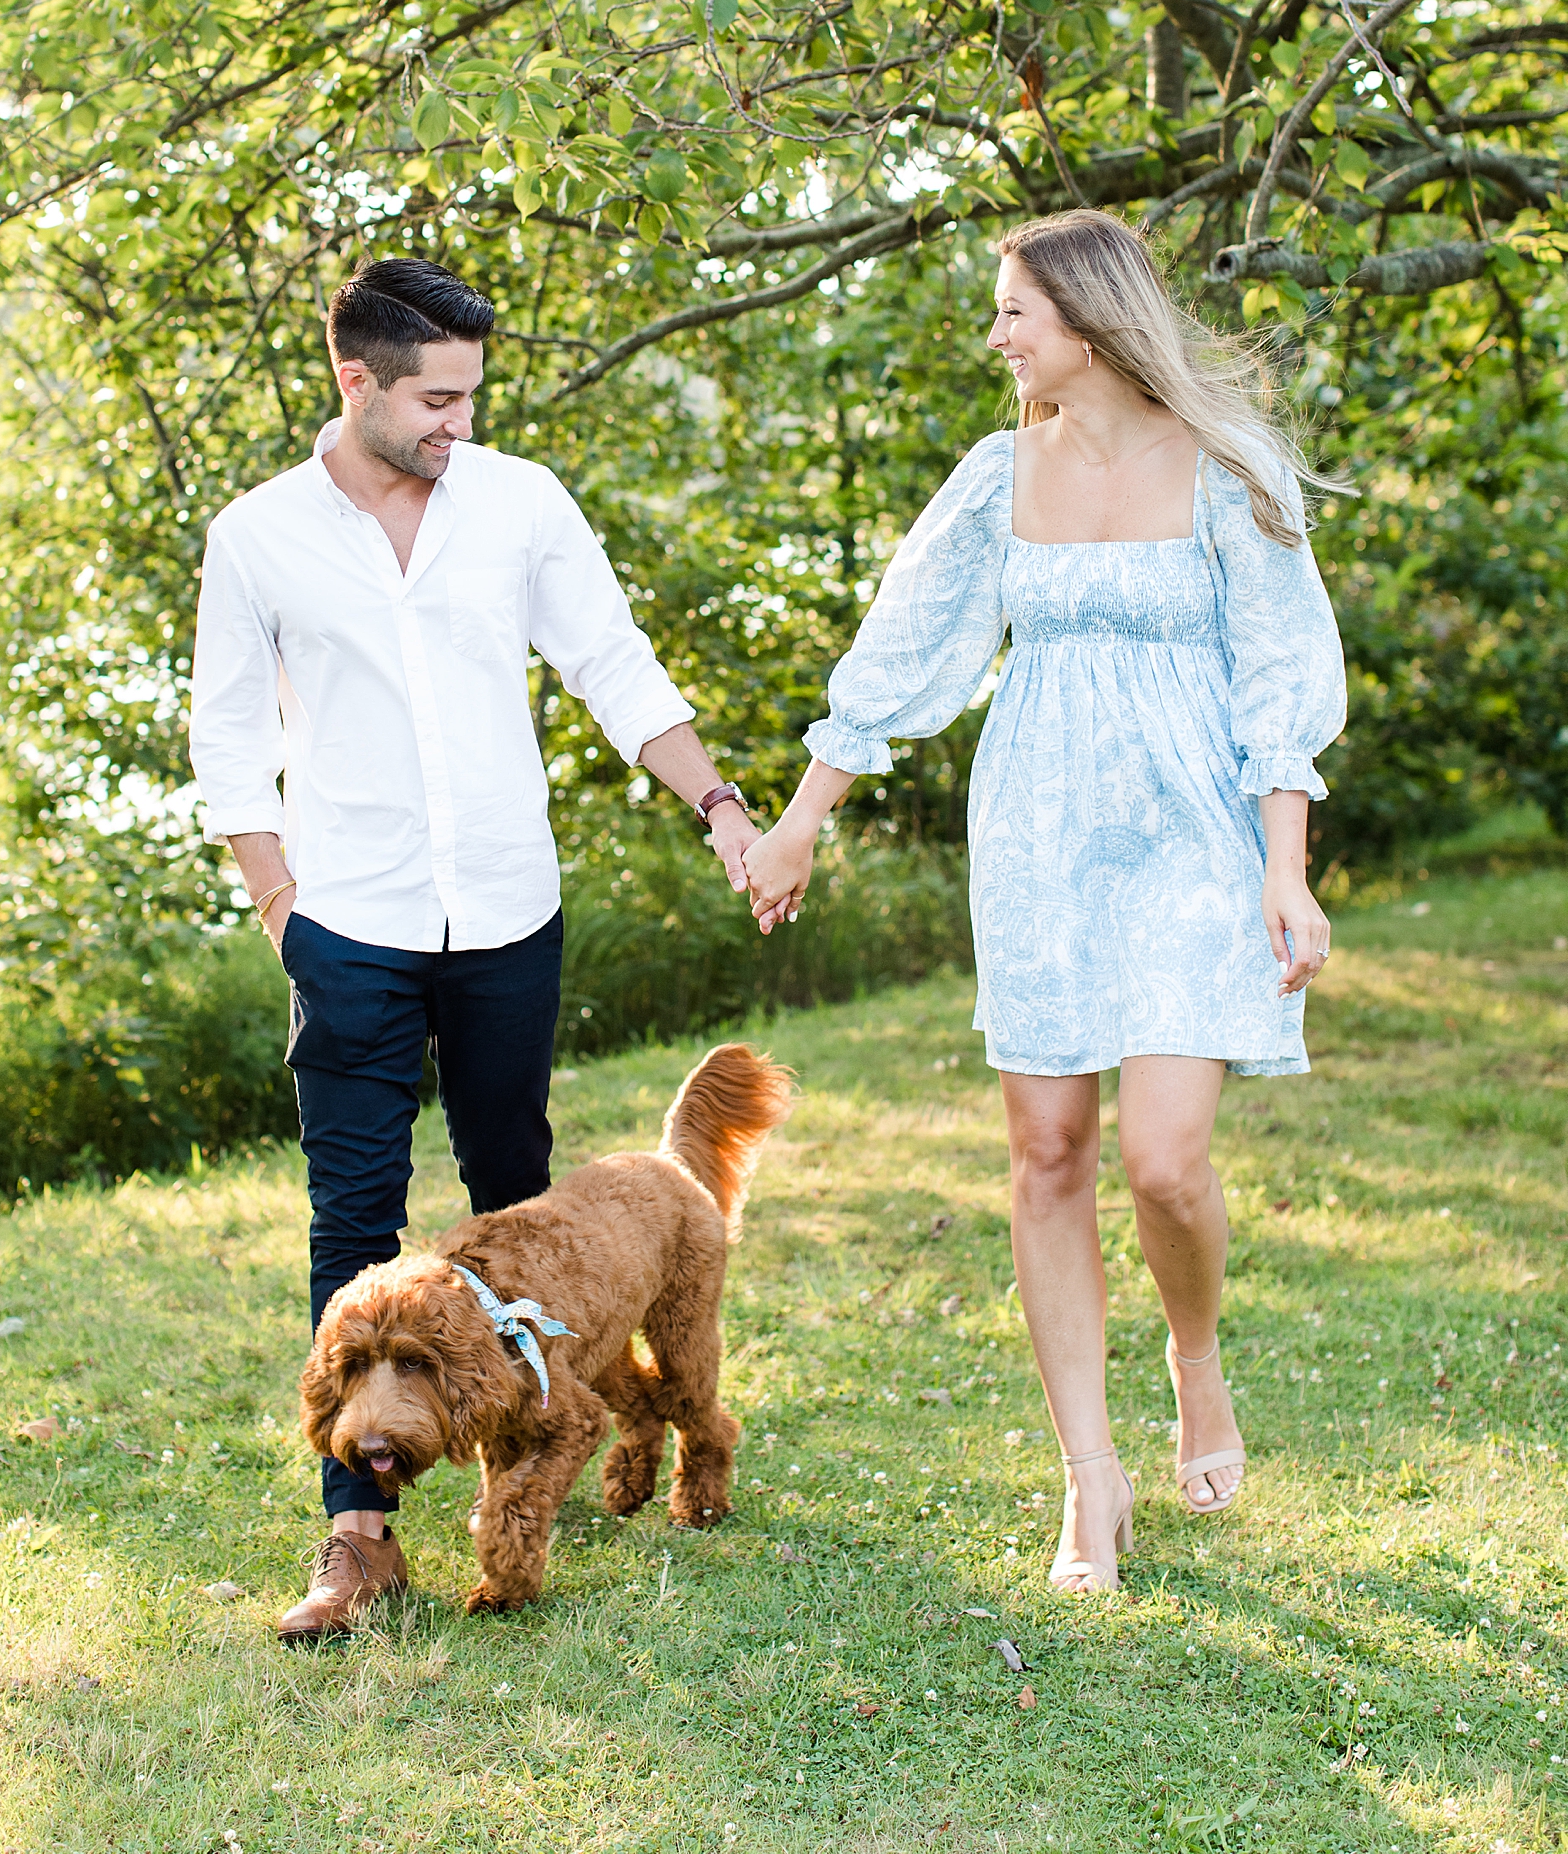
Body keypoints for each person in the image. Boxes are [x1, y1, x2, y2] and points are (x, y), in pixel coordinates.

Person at [741, 209, 1347, 1594]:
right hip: (1038, 832)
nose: (999, 333)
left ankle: (1196, 1358)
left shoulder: (1230, 470)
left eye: (1015, 310)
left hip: (1195, 829)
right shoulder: (993, 475)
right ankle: (1091, 1480)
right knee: (1050, 1152)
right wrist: (797, 825)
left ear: (1087, 318)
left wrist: (1286, 864)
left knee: (1165, 1161)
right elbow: (904, 655)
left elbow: (1281, 680)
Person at [189, 255, 758, 1639]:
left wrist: (723, 807)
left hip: (507, 911)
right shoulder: (259, 535)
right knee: (353, 1219)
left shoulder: (517, 505)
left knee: (521, 1201)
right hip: (350, 927)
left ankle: (535, 1451)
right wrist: (284, 917)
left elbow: (614, 665)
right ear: (358, 381)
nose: (458, 424)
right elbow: (225, 746)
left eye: (470, 398)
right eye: (436, 400)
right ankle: (357, 1535)